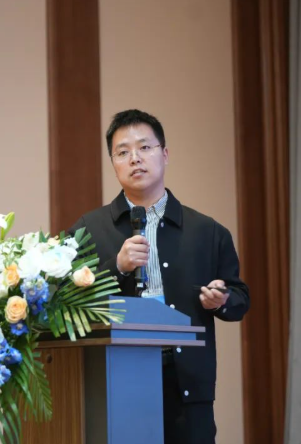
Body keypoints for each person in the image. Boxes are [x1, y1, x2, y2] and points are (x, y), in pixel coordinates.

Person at [69, 109, 250, 444]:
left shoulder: (207, 231)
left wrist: (221, 299)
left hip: (187, 382)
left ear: (164, 154)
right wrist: (117, 267)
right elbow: (65, 299)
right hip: (114, 378)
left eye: (144, 148)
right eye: (123, 152)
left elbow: (239, 299)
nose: (134, 159)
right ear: (113, 163)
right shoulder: (87, 230)